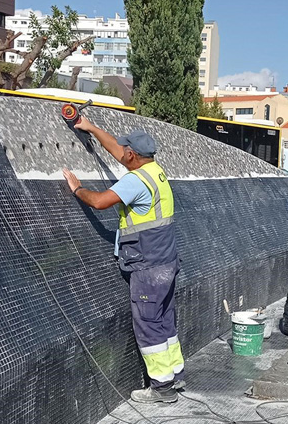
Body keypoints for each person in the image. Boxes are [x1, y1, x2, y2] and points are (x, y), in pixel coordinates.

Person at [61, 120, 184, 404]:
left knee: (148, 323)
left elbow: (101, 201)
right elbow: (118, 152)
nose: (122, 151)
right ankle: (174, 375)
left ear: (133, 155)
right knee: (164, 320)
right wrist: (88, 127)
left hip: (147, 265)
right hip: (166, 260)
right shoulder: (155, 172)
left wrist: (78, 189)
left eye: (126, 149)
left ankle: (161, 387)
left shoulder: (135, 181)